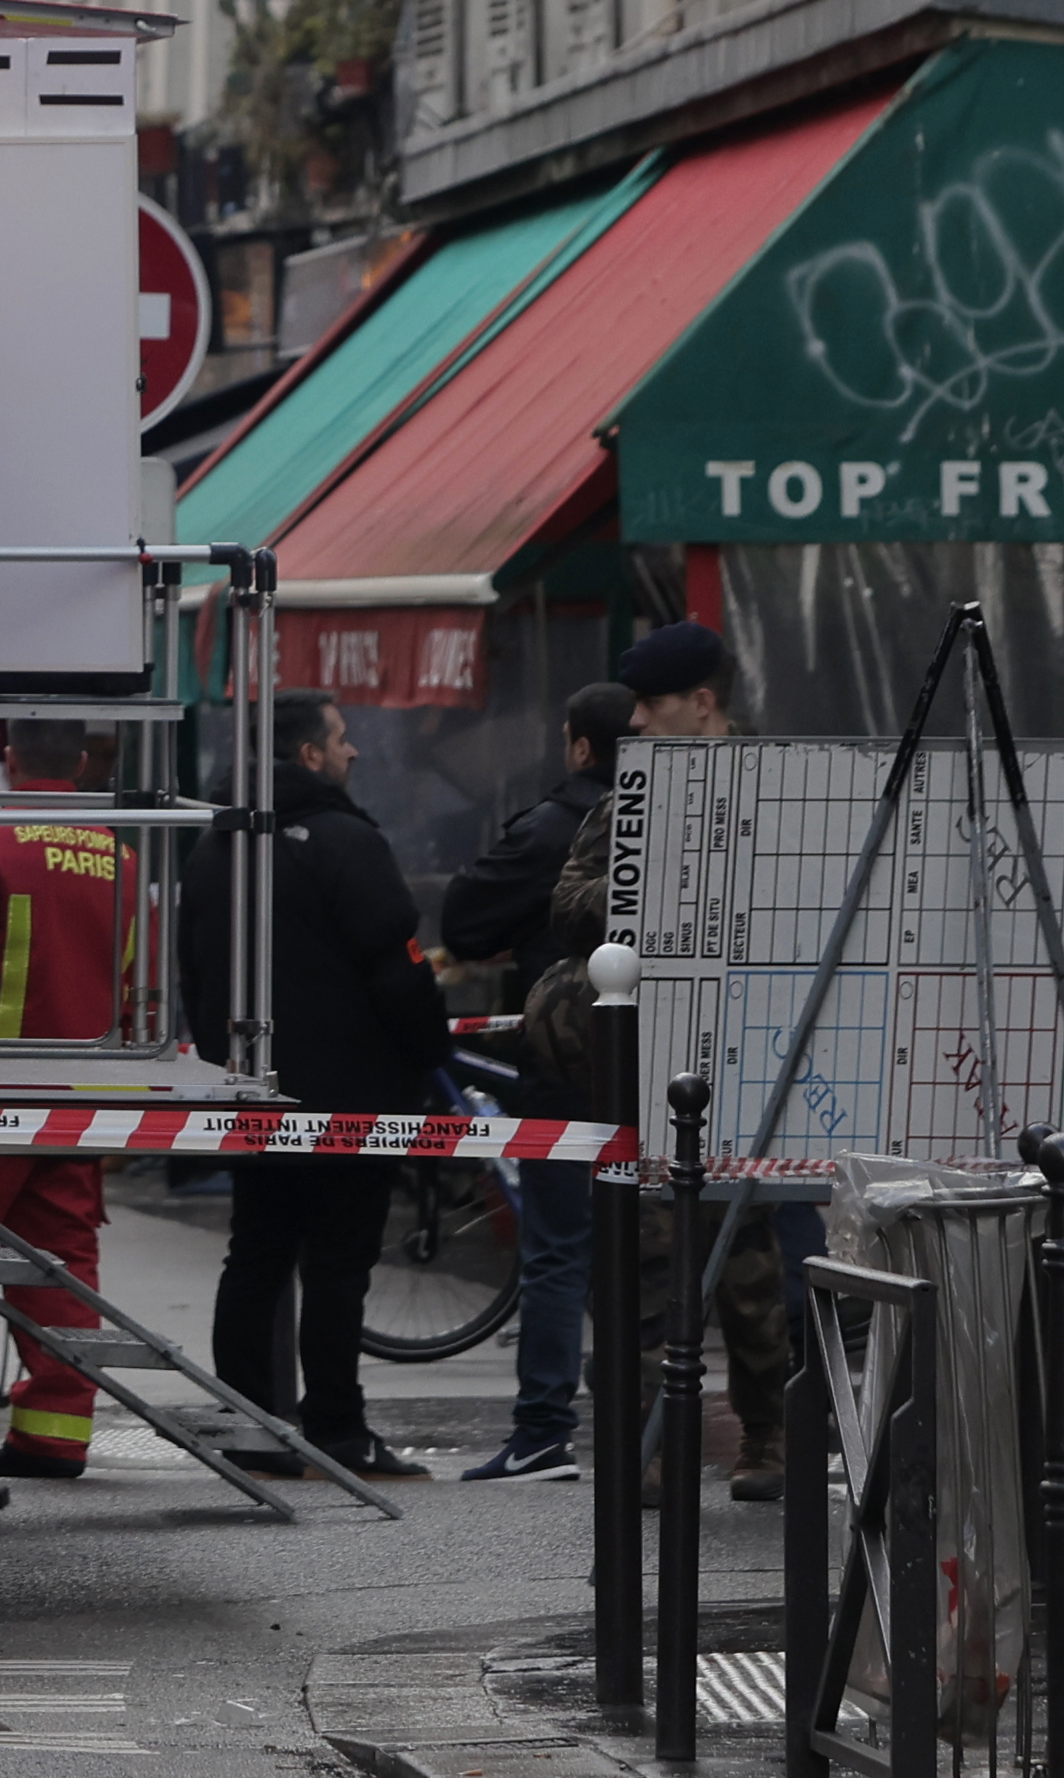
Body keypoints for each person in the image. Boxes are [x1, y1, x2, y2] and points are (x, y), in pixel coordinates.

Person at [185, 690, 451, 1479]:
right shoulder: (344, 843)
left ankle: (249, 1425)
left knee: (255, 1255)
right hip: (351, 1099)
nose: (355, 752)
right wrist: (427, 1052)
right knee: (337, 1267)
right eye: (342, 739)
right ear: (308, 755)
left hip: (252, 1092)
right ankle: (336, 1430)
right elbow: (396, 966)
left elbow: (196, 973)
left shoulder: (214, 847)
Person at [567, 618, 794, 1495]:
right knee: (647, 1261)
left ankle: (767, 1438)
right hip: (651, 1052)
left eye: (653, 708)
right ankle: (654, 1440)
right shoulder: (628, 796)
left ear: (702, 704)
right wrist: (658, 894)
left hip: (751, 1050)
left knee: (746, 1261)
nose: (639, 727)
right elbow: (572, 901)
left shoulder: (781, 788)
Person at [438, 680, 640, 1481]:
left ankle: (544, 1431)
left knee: (559, 1249)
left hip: (570, 1067)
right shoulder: (694, 826)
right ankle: (658, 1430)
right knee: (658, 1252)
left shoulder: (554, 829)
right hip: (677, 1075)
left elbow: (465, 921)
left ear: (581, 747)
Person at [0, 718, 129, 1479]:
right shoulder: (123, 849)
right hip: (88, 1085)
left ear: (8, 759)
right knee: (64, 1254)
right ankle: (54, 1433)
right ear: (79, 760)